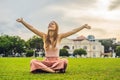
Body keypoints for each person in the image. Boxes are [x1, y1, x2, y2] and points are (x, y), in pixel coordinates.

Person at [16, 18, 91, 73]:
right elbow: (32, 28)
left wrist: (83, 26)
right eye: (49, 24)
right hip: (46, 61)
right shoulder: (44, 36)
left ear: (56, 27)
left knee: (64, 61)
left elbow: (72, 31)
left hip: (56, 61)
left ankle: (44, 69)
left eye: (52, 24)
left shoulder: (59, 36)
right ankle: (52, 71)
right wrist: (23, 22)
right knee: (33, 61)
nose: (50, 24)